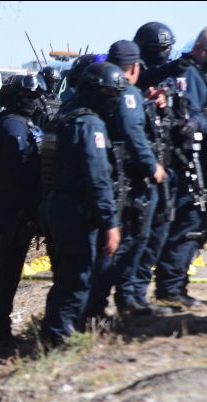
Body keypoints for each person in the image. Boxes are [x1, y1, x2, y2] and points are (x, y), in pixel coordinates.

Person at [39, 62, 124, 344]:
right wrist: (110, 222)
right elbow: (98, 178)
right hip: (76, 213)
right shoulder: (90, 125)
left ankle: (56, 334)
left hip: (54, 209)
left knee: (64, 278)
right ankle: (58, 339)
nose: (114, 99)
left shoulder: (62, 116)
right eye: (111, 93)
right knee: (76, 280)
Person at [84, 41, 169, 320]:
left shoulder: (105, 91)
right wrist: (152, 166)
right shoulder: (128, 92)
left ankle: (110, 301)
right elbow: (132, 131)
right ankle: (128, 298)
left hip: (113, 176)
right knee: (137, 238)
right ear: (134, 67)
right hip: (132, 177)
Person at [135, 26, 207, 309]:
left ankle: (175, 286)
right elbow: (185, 118)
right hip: (180, 163)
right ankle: (170, 287)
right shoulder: (184, 74)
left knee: (191, 227)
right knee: (184, 226)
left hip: (195, 162)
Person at [0, 74, 45, 353]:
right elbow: (22, 171)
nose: (33, 102)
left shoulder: (17, 124)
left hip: (16, 206)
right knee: (7, 275)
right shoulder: (11, 126)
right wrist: (31, 209)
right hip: (12, 208)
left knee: (10, 274)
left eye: (35, 97)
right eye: (27, 98)